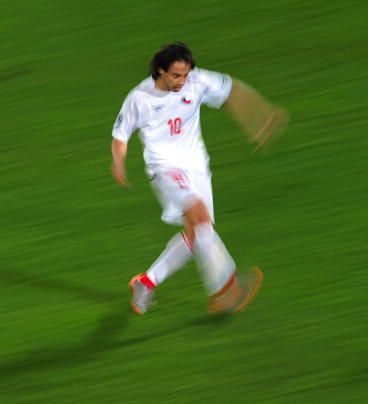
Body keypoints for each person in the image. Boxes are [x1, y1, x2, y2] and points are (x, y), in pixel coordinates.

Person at [111, 42, 287, 316]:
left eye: (186, 74)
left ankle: (146, 283)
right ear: (160, 71)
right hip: (165, 169)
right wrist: (118, 162)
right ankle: (227, 291)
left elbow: (233, 92)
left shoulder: (197, 81)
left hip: (197, 168)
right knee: (201, 218)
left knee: (198, 235)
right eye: (176, 76)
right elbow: (120, 134)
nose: (182, 81)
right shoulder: (139, 97)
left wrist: (261, 116)